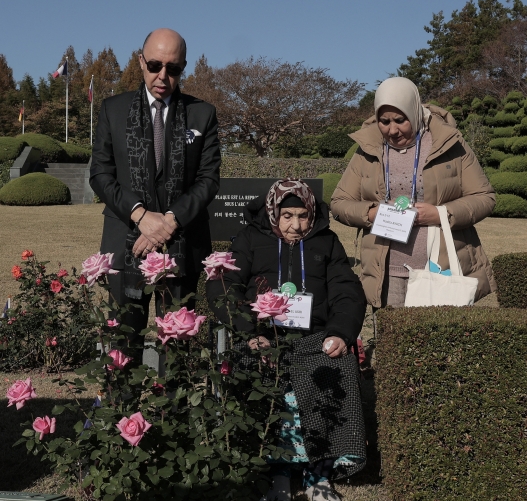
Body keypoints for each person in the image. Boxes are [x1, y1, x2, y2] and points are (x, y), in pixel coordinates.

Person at [207, 179, 367, 501]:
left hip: (314, 338)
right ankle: (274, 472)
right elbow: (225, 288)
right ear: (273, 214)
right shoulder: (250, 239)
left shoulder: (328, 242)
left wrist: (340, 333)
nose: (296, 225)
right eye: (287, 216)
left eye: (303, 216)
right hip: (264, 336)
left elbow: (346, 291)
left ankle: (318, 475)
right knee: (253, 369)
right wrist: (251, 334)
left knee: (339, 366)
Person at [90, 28, 221, 361]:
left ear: (183, 68)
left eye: (173, 68)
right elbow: (101, 175)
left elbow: (208, 180)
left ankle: (173, 413)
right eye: (155, 65)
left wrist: (169, 221)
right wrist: (141, 216)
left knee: (178, 350)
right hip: (125, 243)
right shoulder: (113, 110)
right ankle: (124, 413)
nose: (163, 75)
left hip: (182, 244)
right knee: (123, 346)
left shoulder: (202, 114)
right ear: (140, 62)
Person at [330, 76, 496, 309]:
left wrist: (441, 214)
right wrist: (371, 213)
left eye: (400, 120)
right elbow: (339, 202)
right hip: (386, 271)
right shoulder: (368, 149)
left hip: (439, 268)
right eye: (384, 121)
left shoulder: (448, 143)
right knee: (391, 342)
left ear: (414, 112)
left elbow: (484, 197)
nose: (393, 130)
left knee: (438, 342)